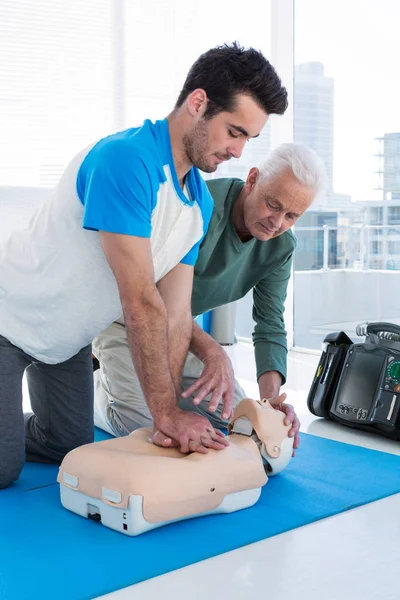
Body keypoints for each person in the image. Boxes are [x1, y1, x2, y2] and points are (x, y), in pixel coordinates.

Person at [0, 42, 288, 489]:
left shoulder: (197, 203)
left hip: (65, 340)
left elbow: (175, 314)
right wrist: (167, 415)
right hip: (9, 316)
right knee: (3, 469)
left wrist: (168, 410)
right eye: (234, 132)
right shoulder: (127, 161)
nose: (238, 151)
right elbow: (140, 301)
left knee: (67, 448)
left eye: (248, 139)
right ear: (198, 104)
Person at [92, 143, 326, 451]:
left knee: (241, 425)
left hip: (180, 336)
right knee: (149, 431)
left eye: (292, 216)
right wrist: (214, 353)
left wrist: (269, 406)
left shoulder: (281, 247)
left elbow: (270, 324)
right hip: (126, 321)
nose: (277, 222)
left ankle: (162, 391)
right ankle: (96, 388)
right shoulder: (196, 207)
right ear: (253, 179)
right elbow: (155, 296)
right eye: (273, 204)